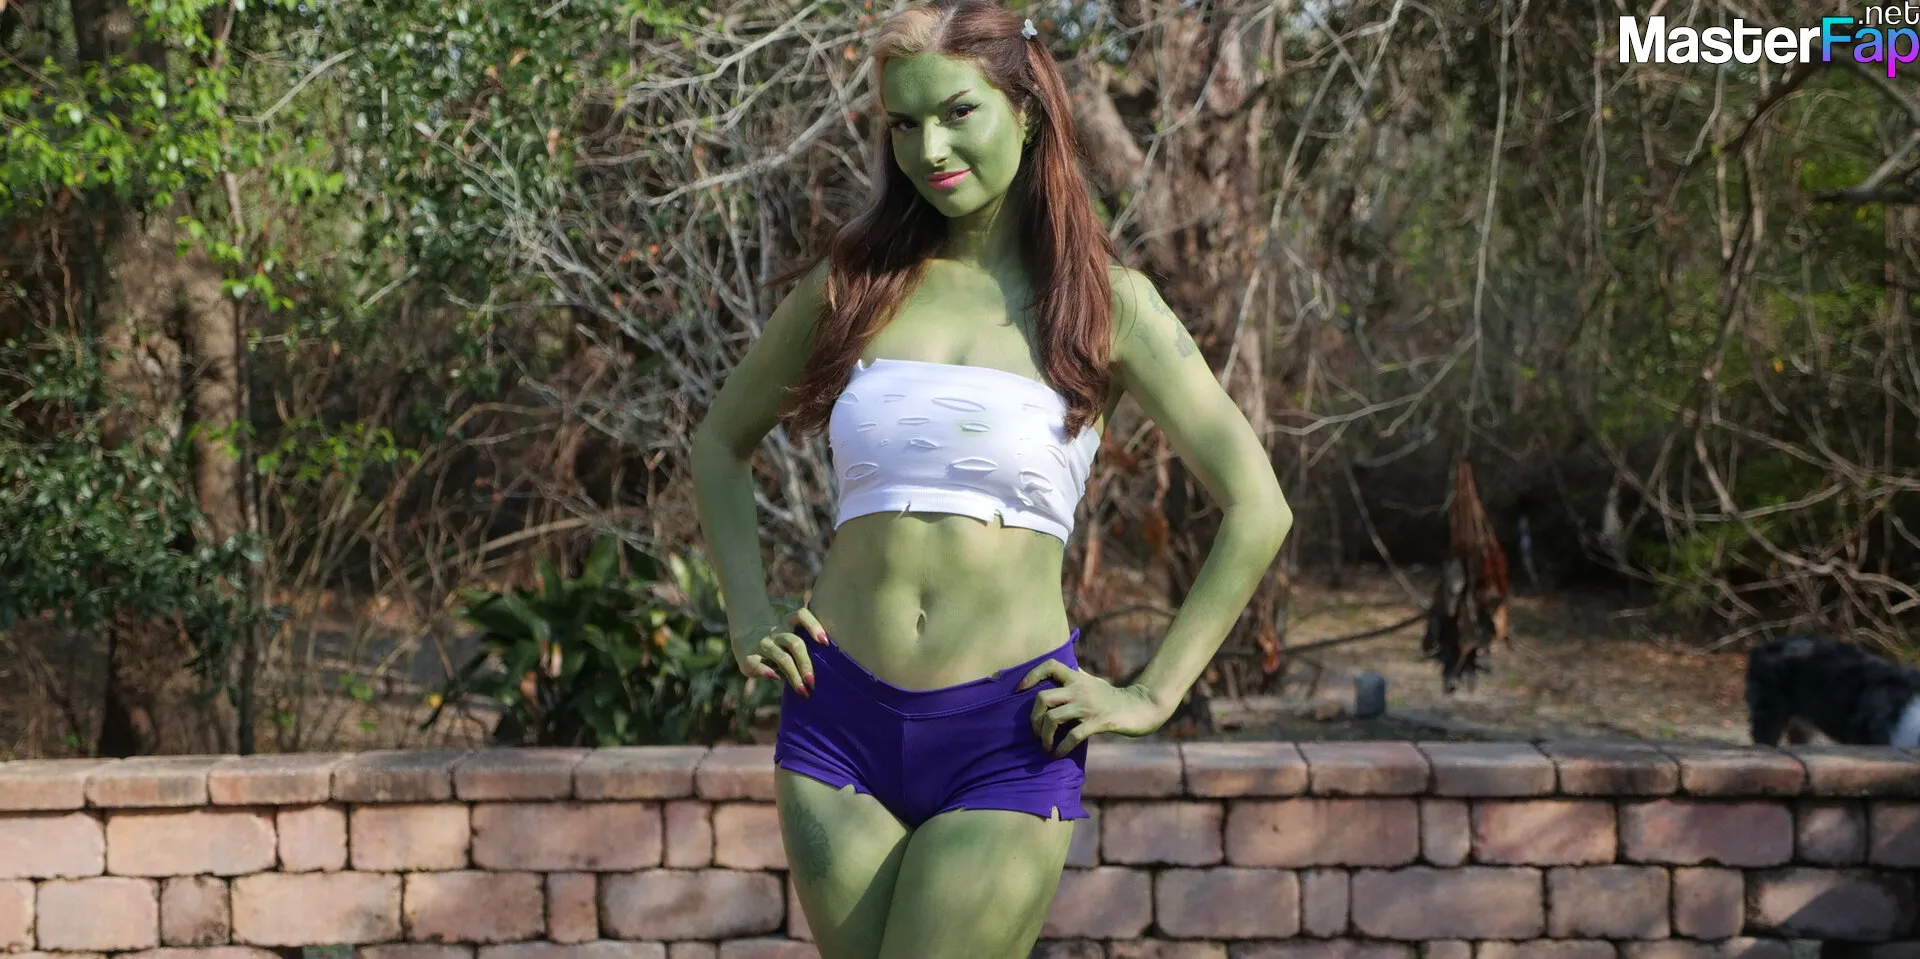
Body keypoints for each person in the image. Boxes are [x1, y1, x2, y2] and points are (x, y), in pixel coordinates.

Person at [688, 1, 1292, 955]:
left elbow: (1257, 506)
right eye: (903, 123)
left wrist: (1153, 692)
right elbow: (720, 444)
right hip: (836, 722)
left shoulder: (1107, 306)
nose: (928, 149)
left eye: (956, 112)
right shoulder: (852, 287)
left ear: (1027, 108)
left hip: (1007, 735)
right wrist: (747, 614)